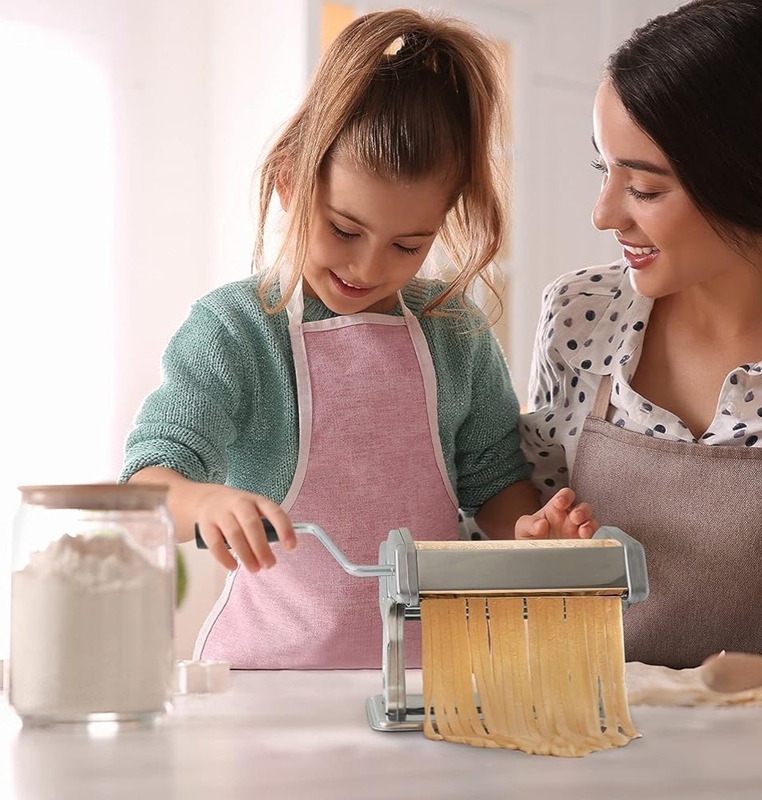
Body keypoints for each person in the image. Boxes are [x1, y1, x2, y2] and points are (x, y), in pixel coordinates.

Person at [121, 9, 598, 669]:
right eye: (344, 229)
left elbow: (492, 480)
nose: (369, 269)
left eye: (409, 244)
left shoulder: (454, 329)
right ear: (291, 180)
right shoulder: (235, 329)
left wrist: (527, 535)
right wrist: (202, 500)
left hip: (434, 680)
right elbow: (149, 482)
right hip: (266, 683)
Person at [520, 0, 762, 669]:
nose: (603, 214)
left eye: (643, 188)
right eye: (603, 170)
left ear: (753, 184)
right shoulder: (580, 315)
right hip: (599, 746)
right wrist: (534, 550)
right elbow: (524, 531)